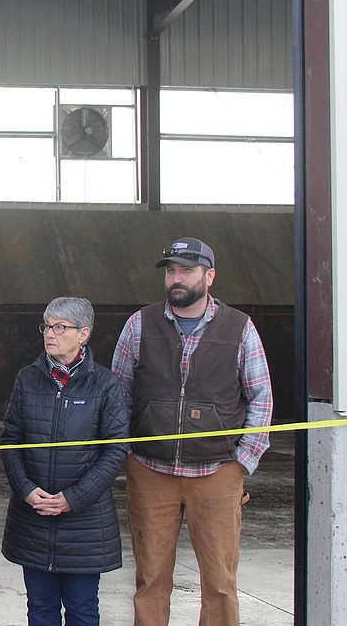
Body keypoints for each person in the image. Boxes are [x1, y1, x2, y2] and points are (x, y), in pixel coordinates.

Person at [112, 237, 273, 626]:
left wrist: (242, 461)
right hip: (151, 470)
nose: (176, 278)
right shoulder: (139, 324)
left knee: (219, 584)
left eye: (186, 270)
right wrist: (127, 454)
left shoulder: (240, 328)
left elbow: (261, 397)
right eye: (171, 271)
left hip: (217, 471)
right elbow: (117, 394)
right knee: (150, 581)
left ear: (209, 276)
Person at [0, 297, 129, 626]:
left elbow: (116, 451)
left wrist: (74, 498)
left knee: (82, 610)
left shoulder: (106, 384)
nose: (49, 334)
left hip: (85, 526)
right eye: (46, 326)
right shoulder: (27, 378)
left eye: (60, 327)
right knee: (40, 610)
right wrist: (26, 490)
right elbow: (10, 441)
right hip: (33, 520)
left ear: (83, 334)